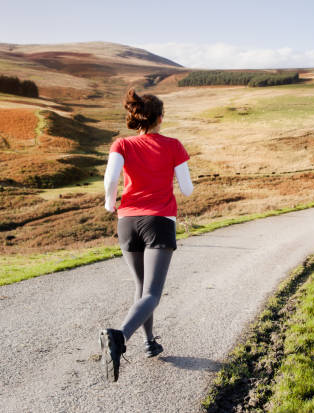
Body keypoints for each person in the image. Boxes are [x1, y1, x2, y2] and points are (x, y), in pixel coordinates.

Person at [99, 88, 193, 382]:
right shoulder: (173, 145)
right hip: (159, 221)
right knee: (152, 293)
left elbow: (111, 178)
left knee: (142, 289)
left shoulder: (122, 144)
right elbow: (188, 189)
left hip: (127, 221)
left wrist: (109, 202)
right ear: (160, 118)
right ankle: (120, 336)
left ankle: (150, 343)